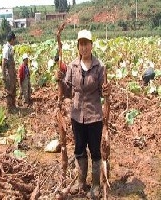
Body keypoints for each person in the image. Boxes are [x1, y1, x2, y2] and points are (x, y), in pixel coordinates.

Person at [57, 29, 111, 198]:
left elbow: (104, 93)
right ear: (78, 47)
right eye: (81, 44)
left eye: (86, 43)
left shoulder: (99, 67)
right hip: (77, 115)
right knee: (79, 150)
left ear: (91, 45)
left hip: (94, 116)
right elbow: (66, 92)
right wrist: (59, 80)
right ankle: (81, 183)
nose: (84, 47)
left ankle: (95, 186)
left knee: (95, 151)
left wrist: (107, 91)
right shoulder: (72, 66)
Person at [2, 31, 17, 113]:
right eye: (14, 39)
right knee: (9, 91)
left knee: (13, 89)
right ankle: (9, 109)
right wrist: (3, 75)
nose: (14, 41)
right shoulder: (6, 49)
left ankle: (13, 106)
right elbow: (3, 62)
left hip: (12, 73)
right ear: (11, 39)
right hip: (8, 74)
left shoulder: (10, 47)